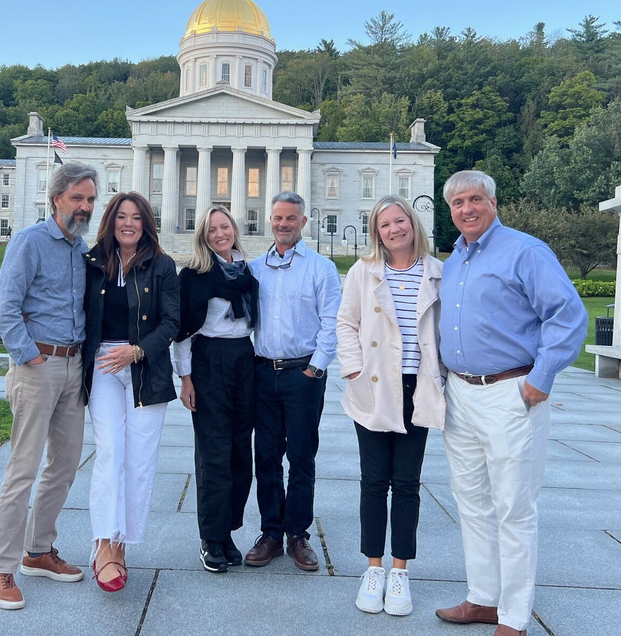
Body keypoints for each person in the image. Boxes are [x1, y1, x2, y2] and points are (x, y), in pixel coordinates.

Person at [435, 171, 587, 636]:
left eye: (475, 199)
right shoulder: (456, 258)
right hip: (460, 394)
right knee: (472, 502)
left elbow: (567, 314)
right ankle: (483, 597)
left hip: (510, 392)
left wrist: (540, 380)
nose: (467, 209)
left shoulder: (525, 250)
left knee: (513, 506)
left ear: (494, 202)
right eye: (458, 202)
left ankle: (515, 617)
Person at [0, 162, 98, 610]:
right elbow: (6, 309)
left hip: (73, 368)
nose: (85, 207)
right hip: (38, 365)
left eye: (90, 199)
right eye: (77, 199)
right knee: (23, 469)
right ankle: (0, 568)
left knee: (65, 465)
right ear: (57, 200)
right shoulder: (29, 242)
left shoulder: (80, 249)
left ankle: (38, 551)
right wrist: (29, 356)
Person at [336, 195, 446, 616]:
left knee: (407, 483)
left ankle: (400, 570)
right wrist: (352, 368)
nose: (394, 229)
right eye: (385, 225)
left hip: (417, 387)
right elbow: (347, 321)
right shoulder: (364, 272)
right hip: (374, 386)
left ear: (413, 223)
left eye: (400, 221)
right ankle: (374, 567)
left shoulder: (438, 273)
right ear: (376, 233)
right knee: (372, 481)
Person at [81, 192, 179, 592]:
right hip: (105, 364)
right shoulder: (91, 262)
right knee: (109, 452)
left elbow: (172, 321)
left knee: (139, 460)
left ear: (146, 224)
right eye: (121, 216)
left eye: (136, 218)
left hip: (145, 368)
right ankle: (103, 543)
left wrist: (137, 350)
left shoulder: (162, 265)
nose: (128, 223)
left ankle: (122, 544)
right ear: (110, 220)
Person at [245, 191, 341, 572]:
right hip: (263, 373)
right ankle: (270, 531)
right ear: (270, 220)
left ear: (303, 222)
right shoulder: (254, 268)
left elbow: (332, 322)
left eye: (291, 218)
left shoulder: (321, 268)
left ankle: (298, 533)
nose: (283, 224)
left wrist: (315, 368)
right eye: (277, 218)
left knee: (301, 456)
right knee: (266, 456)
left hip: (304, 374)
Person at [175, 206, 259, 573]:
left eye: (224, 226)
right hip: (209, 360)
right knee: (214, 452)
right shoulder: (195, 275)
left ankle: (227, 532)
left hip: (244, 358)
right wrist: (186, 378)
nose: (220, 234)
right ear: (204, 236)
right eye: (212, 230)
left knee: (241, 451)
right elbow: (182, 331)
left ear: (234, 229)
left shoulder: (248, 272)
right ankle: (210, 537)